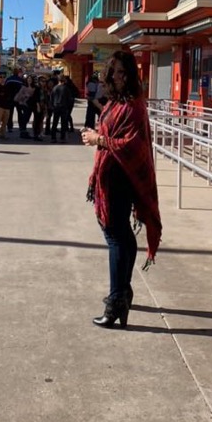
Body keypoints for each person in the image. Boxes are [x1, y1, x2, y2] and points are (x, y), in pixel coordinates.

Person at [82, 50, 162, 329]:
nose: (117, 76)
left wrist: (98, 139)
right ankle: (123, 293)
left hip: (120, 179)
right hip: (109, 176)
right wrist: (98, 136)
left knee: (116, 237)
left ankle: (116, 302)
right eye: (114, 71)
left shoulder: (133, 106)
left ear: (131, 75)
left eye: (123, 72)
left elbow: (132, 144)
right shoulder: (117, 102)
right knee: (121, 236)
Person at [50, 73, 74, 143]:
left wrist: (52, 106)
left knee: (55, 122)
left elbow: (51, 98)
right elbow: (69, 99)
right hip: (64, 107)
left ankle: (53, 137)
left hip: (56, 107)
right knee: (63, 123)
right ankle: (62, 138)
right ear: (64, 80)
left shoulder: (54, 88)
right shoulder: (66, 88)